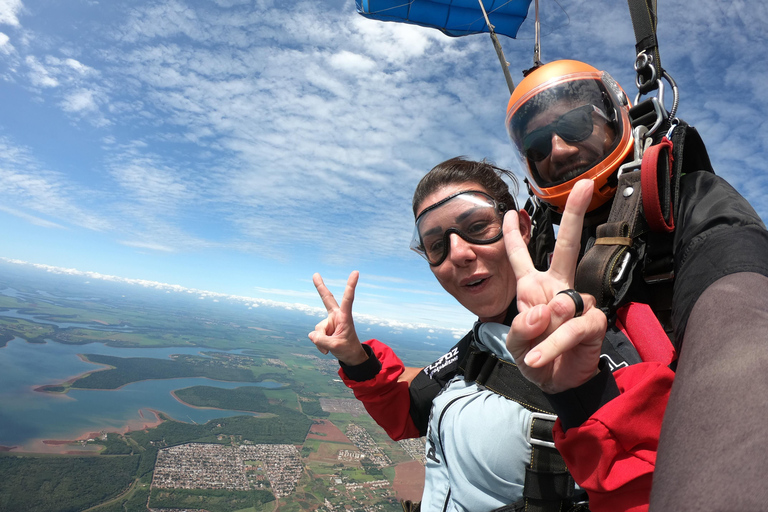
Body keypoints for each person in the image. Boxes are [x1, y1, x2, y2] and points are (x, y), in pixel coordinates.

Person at [309, 157, 674, 512]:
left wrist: (580, 392)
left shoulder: (599, 350)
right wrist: (355, 357)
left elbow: (657, 489)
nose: (458, 253)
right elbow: (407, 414)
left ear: (524, 228)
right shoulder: (477, 347)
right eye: (436, 245)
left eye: (478, 226)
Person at [504, 60, 768, 511]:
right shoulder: (539, 248)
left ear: (618, 112)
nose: (560, 149)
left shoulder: (691, 199)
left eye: (575, 122)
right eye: (537, 143)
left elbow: (741, 322)